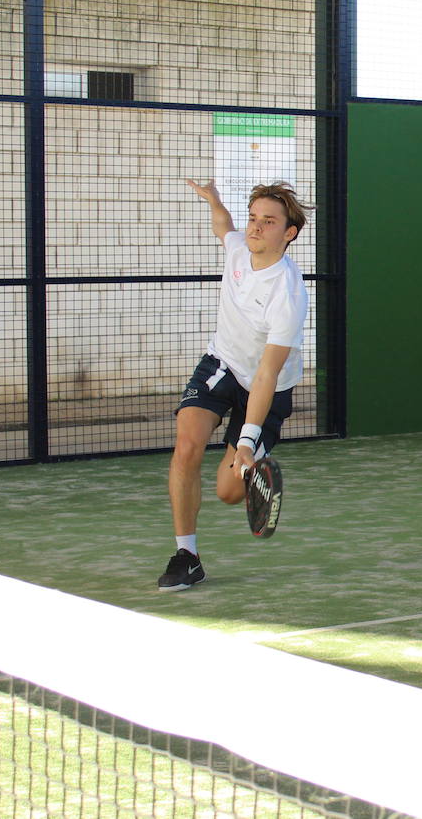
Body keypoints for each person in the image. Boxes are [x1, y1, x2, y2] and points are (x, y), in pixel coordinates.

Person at [158, 179, 310, 591]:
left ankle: (252, 466)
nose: (256, 227)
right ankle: (187, 557)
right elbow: (223, 226)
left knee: (227, 491)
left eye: (269, 221)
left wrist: (246, 440)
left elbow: (267, 374)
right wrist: (215, 200)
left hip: (266, 385)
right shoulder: (240, 247)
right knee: (186, 446)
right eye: (253, 218)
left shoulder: (287, 295)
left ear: (289, 233)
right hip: (222, 363)